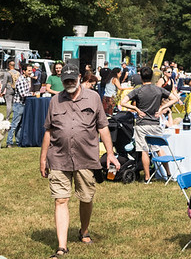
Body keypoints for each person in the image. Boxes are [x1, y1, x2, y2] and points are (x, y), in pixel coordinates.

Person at [40, 63, 120, 258]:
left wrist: (110, 153)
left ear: (79, 78)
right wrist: (43, 159)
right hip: (58, 157)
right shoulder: (55, 101)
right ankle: (62, 246)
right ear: (61, 80)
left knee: (86, 197)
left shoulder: (93, 98)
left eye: (71, 79)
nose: (69, 82)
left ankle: (84, 231)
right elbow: (48, 131)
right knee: (61, 199)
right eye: (65, 80)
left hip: (86, 157)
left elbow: (102, 127)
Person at [119, 66, 180, 181]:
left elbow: (123, 102)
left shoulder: (138, 90)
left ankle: (147, 177)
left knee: (144, 150)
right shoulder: (158, 89)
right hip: (155, 123)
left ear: (141, 77)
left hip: (142, 123)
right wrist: (162, 107)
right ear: (152, 77)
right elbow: (174, 98)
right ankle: (168, 173)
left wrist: (136, 109)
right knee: (158, 148)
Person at [6, 63, 33, 147]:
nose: (30, 72)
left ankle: (18, 142)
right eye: (29, 70)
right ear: (24, 71)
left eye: (31, 70)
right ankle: (9, 142)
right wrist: (31, 94)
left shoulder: (26, 79)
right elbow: (23, 94)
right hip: (19, 105)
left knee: (20, 125)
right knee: (14, 124)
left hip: (23, 104)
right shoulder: (21, 80)